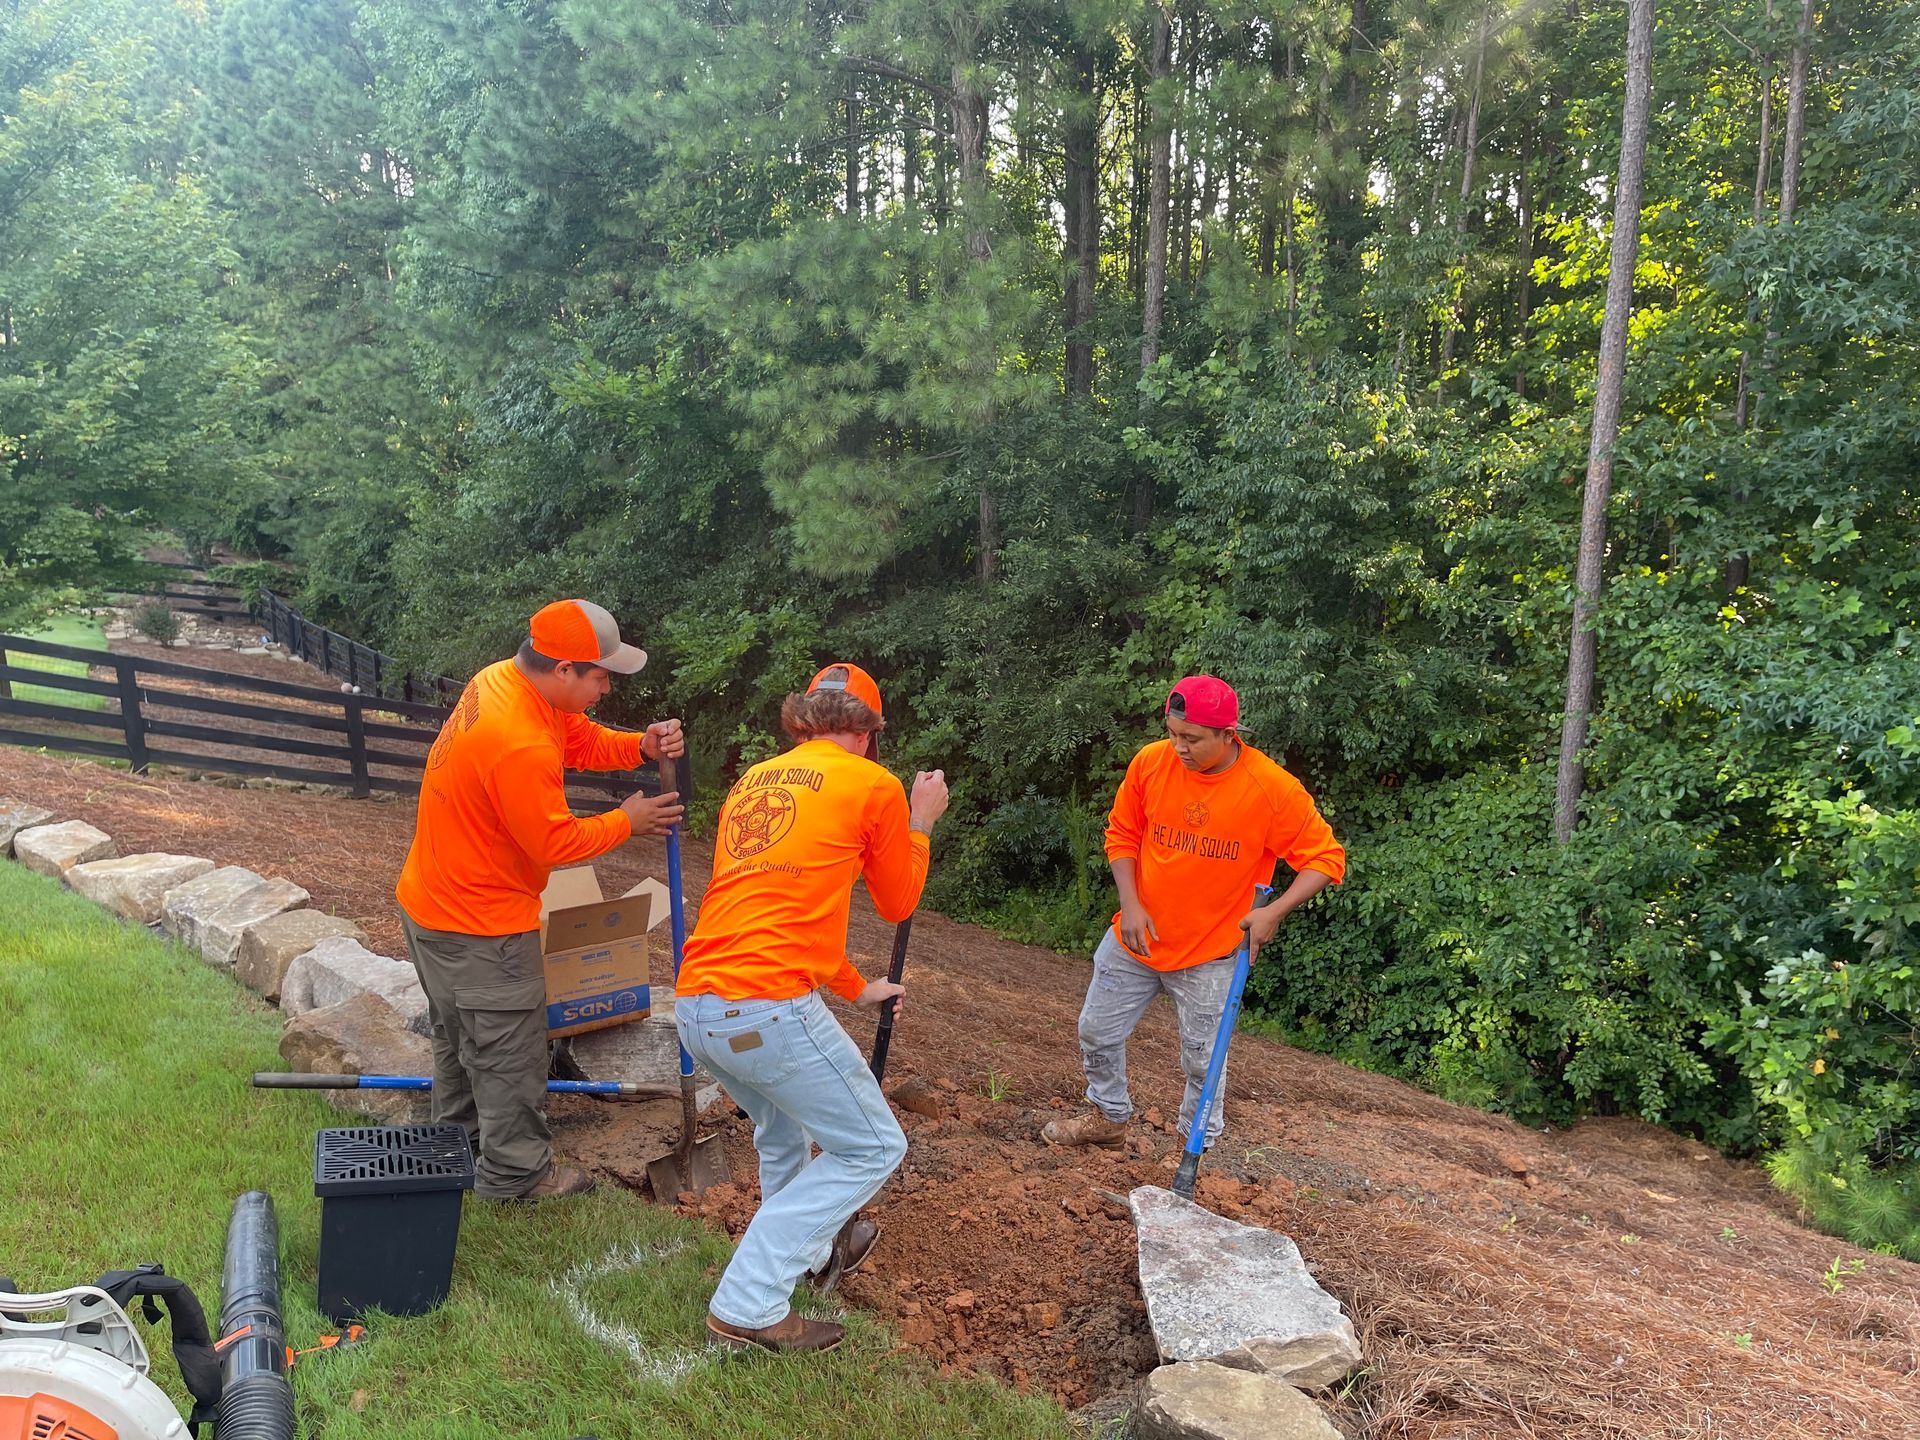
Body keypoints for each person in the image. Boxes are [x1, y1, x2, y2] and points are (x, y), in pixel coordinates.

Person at [676, 662, 949, 1355]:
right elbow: (898, 902)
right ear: (868, 732)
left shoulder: (754, 781)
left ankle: (814, 1252)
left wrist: (858, 988)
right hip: (764, 1009)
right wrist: (920, 822)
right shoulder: (871, 784)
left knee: (781, 1132)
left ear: (806, 720)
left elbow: (786, 913)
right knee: (874, 1146)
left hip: (698, 1006)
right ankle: (749, 1303)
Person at [395, 598, 687, 1201]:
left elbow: (575, 736)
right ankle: (516, 1175)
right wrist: (627, 821)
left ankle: (456, 1143)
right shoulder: (518, 739)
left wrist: (639, 747)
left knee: (461, 1038)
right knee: (509, 1052)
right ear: (563, 669)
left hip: (432, 906)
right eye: (600, 676)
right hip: (481, 927)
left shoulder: (502, 681)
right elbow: (554, 843)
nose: (607, 688)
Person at [1043, 675, 1345, 1153]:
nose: (1178, 747)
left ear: (1229, 734)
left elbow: (1326, 858)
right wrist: (1131, 904)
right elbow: (1122, 834)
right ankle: (1108, 1117)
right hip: (1136, 938)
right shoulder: (1151, 763)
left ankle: (1194, 1150)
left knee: (1204, 1062)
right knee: (1096, 1031)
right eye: (1172, 733)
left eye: (1192, 738)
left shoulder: (1270, 788)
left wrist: (1274, 912)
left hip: (1212, 954)